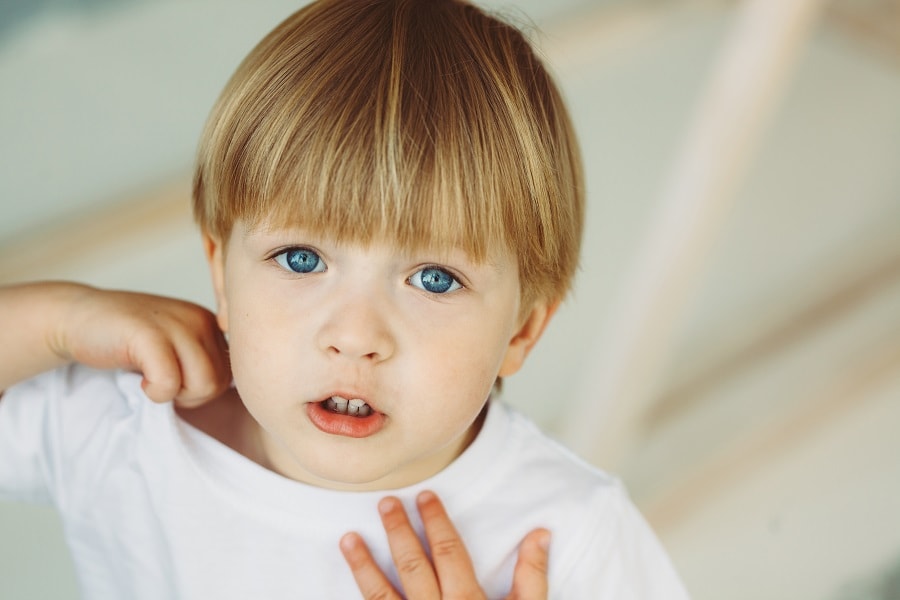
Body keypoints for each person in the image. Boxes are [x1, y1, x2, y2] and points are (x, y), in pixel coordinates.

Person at [0, 0, 689, 598]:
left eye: (434, 279)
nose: (355, 335)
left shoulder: (567, 537)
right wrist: (57, 318)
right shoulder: (125, 425)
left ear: (523, 331)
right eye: (301, 259)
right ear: (221, 273)